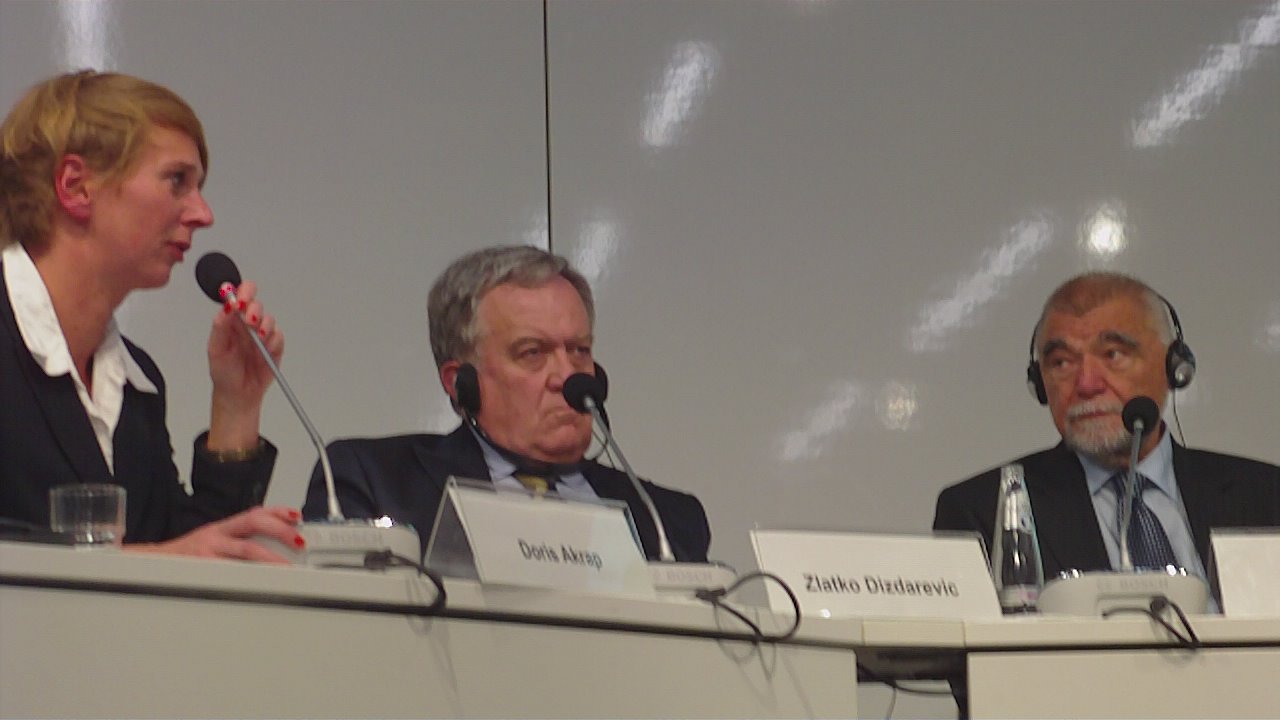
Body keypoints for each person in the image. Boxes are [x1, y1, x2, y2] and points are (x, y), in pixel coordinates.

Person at [1, 70, 303, 560]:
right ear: (76, 186)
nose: (203, 214)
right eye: (177, 180)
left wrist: (236, 406)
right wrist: (156, 560)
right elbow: (163, 557)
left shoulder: (137, 381)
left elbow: (185, 554)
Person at [303, 244, 711, 561]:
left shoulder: (667, 519)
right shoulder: (373, 482)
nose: (567, 376)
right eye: (532, 353)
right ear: (461, 383)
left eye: (579, 351)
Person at [934, 272, 1278, 580]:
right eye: (1062, 362)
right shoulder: (983, 511)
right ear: (1040, 383)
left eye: (1113, 355)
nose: (1087, 384)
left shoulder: (1266, 496)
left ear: (1173, 367)